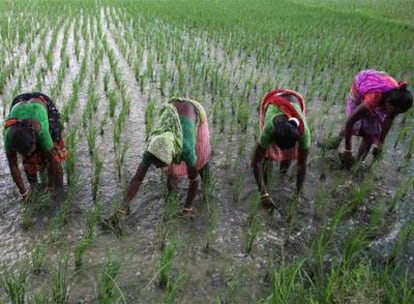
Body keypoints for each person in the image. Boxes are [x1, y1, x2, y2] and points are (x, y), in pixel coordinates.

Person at [107, 97, 211, 225]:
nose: (156, 168)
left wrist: (187, 209)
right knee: (172, 171)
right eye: (155, 164)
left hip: (195, 112)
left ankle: (206, 188)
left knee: (200, 159)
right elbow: (138, 178)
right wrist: (122, 208)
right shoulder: (152, 149)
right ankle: (171, 198)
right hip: (173, 113)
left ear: (173, 155)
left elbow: (194, 180)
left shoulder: (187, 149)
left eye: (159, 165)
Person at [337, 70, 412, 168]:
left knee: (370, 134)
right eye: (394, 112)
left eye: (398, 113)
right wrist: (348, 150)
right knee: (355, 125)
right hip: (359, 88)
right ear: (388, 103)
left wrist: (380, 142)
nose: (395, 115)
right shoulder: (373, 99)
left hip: (378, 92)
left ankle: (357, 164)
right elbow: (350, 122)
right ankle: (336, 141)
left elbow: (389, 118)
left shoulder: (395, 100)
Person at [251, 89, 311, 208]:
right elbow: (256, 162)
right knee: (267, 156)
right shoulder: (269, 128)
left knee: (289, 155)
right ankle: (266, 185)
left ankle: (282, 174)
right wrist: (263, 193)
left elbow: (302, 164)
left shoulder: (304, 133)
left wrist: (298, 194)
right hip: (273, 101)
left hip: (295, 100)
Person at [3, 92, 66, 201]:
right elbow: (13, 166)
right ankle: (34, 187)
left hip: (41, 104)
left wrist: (51, 187)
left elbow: (53, 160)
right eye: (23, 154)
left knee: (55, 155)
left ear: (35, 139)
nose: (27, 155)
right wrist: (24, 193)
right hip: (18, 103)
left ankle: (60, 190)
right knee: (28, 163)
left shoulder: (41, 131)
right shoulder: (9, 138)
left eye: (30, 150)